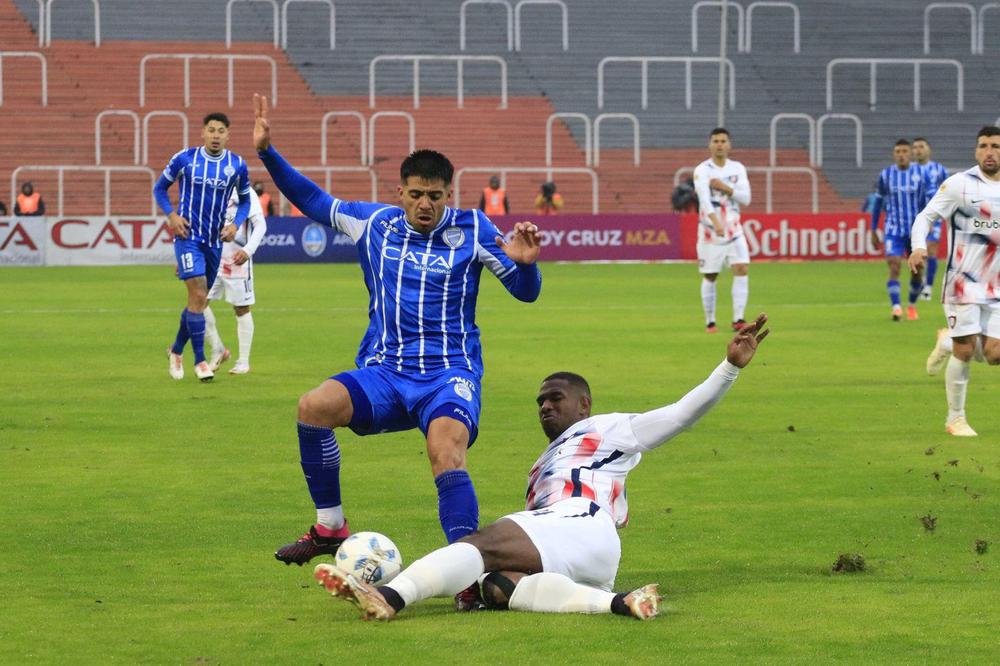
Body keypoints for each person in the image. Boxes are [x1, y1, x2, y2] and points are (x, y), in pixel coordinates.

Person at [252, 94, 543, 610]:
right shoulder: (375, 223)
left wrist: (524, 264)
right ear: (400, 192)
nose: (424, 203)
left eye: (434, 195)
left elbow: (526, 293)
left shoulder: (474, 229)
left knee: (446, 451)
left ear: (448, 193)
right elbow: (314, 200)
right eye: (415, 194)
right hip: (385, 372)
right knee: (312, 407)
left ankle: (467, 574)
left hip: (449, 374)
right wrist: (269, 153)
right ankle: (330, 529)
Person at [313, 315, 771, 621]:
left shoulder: (609, 429)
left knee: (483, 543)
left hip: (583, 521)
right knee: (497, 585)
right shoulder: (542, 468)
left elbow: (680, 414)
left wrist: (729, 368)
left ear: (584, 404)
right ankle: (620, 603)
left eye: (556, 399)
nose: (545, 407)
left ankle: (388, 598)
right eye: (539, 402)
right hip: (587, 554)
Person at [909, 125, 1000, 437]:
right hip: (962, 284)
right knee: (965, 352)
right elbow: (925, 217)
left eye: (996, 146)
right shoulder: (960, 184)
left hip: (997, 287)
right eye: (985, 146)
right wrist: (919, 246)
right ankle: (955, 419)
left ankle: (947, 340)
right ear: (976, 151)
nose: (990, 152)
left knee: (994, 354)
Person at [153, 112, 251, 382]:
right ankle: (200, 362)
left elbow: (244, 202)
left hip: (214, 242)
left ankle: (176, 351)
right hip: (188, 237)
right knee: (197, 291)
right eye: (211, 130)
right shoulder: (184, 159)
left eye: (221, 131)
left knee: (197, 300)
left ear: (228, 135)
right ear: (203, 133)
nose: (216, 135)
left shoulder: (237, 165)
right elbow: (160, 189)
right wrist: (171, 216)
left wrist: (235, 225)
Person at [203, 187, 268, 376]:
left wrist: (248, 250)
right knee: (198, 303)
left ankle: (243, 362)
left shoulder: (245, 192)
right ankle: (218, 349)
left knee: (241, 309)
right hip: (213, 258)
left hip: (237, 260)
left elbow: (260, 224)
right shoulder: (212, 188)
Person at [693, 127, 752, 333]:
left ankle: (739, 319)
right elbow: (703, 199)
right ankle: (710, 321)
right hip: (711, 230)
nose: (719, 144)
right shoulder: (702, 170)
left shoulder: (738, 168)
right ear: (710, 145)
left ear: (729, 145)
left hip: (734, 229)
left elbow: (746, 199)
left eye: (723, 141)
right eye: (716, 141)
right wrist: (716, 222)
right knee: (711, 275)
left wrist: (725, 188)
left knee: (742, 268)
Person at [870, 139, 927, 322]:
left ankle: (911, 304)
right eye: (898, 151)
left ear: (910, 154)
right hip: (893, 229)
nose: (901, 154)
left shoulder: (920, 174)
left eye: (904, 151)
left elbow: (926, 203)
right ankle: (896, 307)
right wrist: (873, 229)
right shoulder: (886, 176)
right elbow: (878, 204)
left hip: (915, 231)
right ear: (894, 155)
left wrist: (928, 226)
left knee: (917, 270)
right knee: (894, 264)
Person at [912, 138, 949, 301]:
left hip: (934, 216)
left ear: (928, 149)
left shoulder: (939, 170)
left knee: (931, 250)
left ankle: (928, 287)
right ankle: (918, 283)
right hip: (913, 217)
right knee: (916, 251)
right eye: (915, 148)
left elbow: (948, 194)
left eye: (921, 147)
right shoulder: (909, 171)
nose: (918, 150)